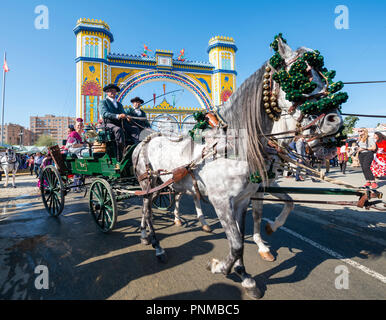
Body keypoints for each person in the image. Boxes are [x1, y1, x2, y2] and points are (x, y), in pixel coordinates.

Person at [99, 83, 134, 161]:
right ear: (107, 92)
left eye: (114, 91)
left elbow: (123, 114)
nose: (112, 92)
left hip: (119, 123)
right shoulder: (103, 102)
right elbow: (104, 114)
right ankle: (122, 153)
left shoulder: (119, 104)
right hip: (107, 124)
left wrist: (127, 117)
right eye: (110, 91)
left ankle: (136, 147)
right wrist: (118, 116)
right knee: (118, 130)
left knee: (134, 129)